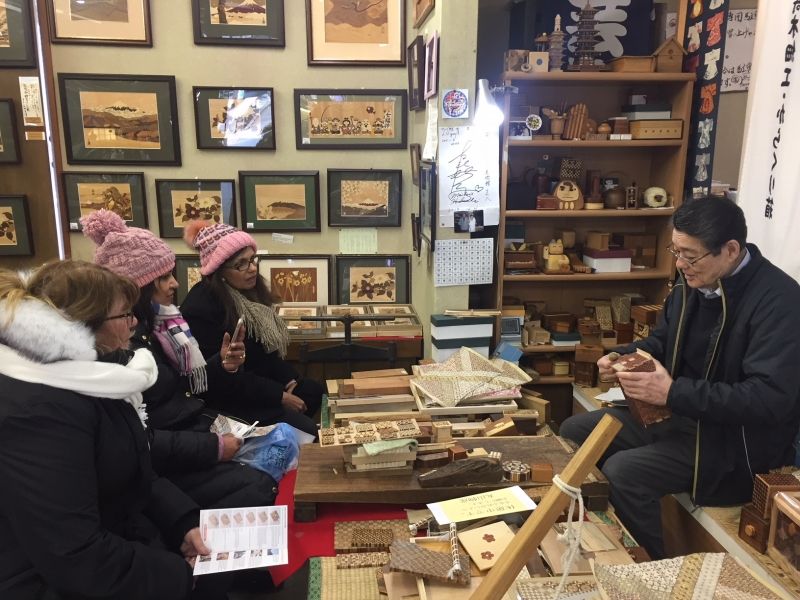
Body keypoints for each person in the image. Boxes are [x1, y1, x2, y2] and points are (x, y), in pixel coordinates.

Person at [560, 196, 800, 559]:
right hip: (677, 414)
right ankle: (597, 539)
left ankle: (652, 568)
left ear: (731, 250)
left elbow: (768, 399)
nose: (679, 264)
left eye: (690, 255)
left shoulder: (780, 302)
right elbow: (661, 341)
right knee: (575, 431)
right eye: (676, 251)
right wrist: (623, 357)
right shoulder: (694, 283)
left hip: (732, 443)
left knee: (625, 471)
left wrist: (672, 392)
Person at [0, 260, 220, 599]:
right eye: (123, 315)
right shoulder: (40, 411)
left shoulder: (94, 377)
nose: (134, 323)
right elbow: (74, 553)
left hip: (114, 553)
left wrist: (182, 523)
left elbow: (133, 471)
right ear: (82, 326)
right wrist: (175, 575)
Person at [81, 210, 280, 511]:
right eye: (163, 277)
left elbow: (185, 388)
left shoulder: (161, 328)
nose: (174, 284)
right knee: (262, 482)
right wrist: (213, 447)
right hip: (171, 463)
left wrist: (221, 365)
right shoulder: (120, 346)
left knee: (283, 443)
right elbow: (142, 438)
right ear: (138, 289)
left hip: (194, 434)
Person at [180, 221, 324, 437]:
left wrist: (290, 381)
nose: (252, 268)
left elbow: (266, 353)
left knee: (314, 393)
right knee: (306, 429)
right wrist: (280, 397)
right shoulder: (201, 307)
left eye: (252, 260)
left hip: (260, 385)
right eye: (241, 264)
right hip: (231, 398)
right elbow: (224, 378)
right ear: (219, 270)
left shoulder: (248, 294)